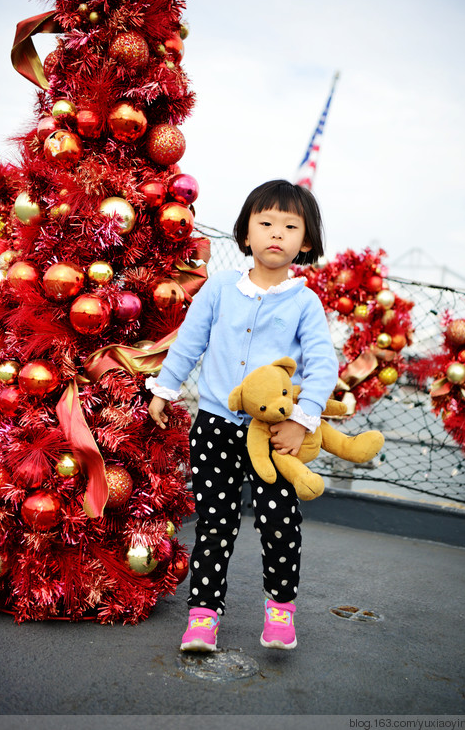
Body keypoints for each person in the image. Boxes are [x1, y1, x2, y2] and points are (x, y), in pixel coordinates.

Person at [147, 179, 339, 651]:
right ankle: (203, 616)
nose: (277, 233)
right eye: (266, 222)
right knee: (215, 523)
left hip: (275, 436)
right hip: (213, 427)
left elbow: (322, 364)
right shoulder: (219, 290)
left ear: (306, 241)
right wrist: (165, 389)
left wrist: (303, 419)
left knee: (279, 523)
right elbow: (190, 341)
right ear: (246, 233)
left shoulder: (304, 302)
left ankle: (280, 612)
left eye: (290, 226)